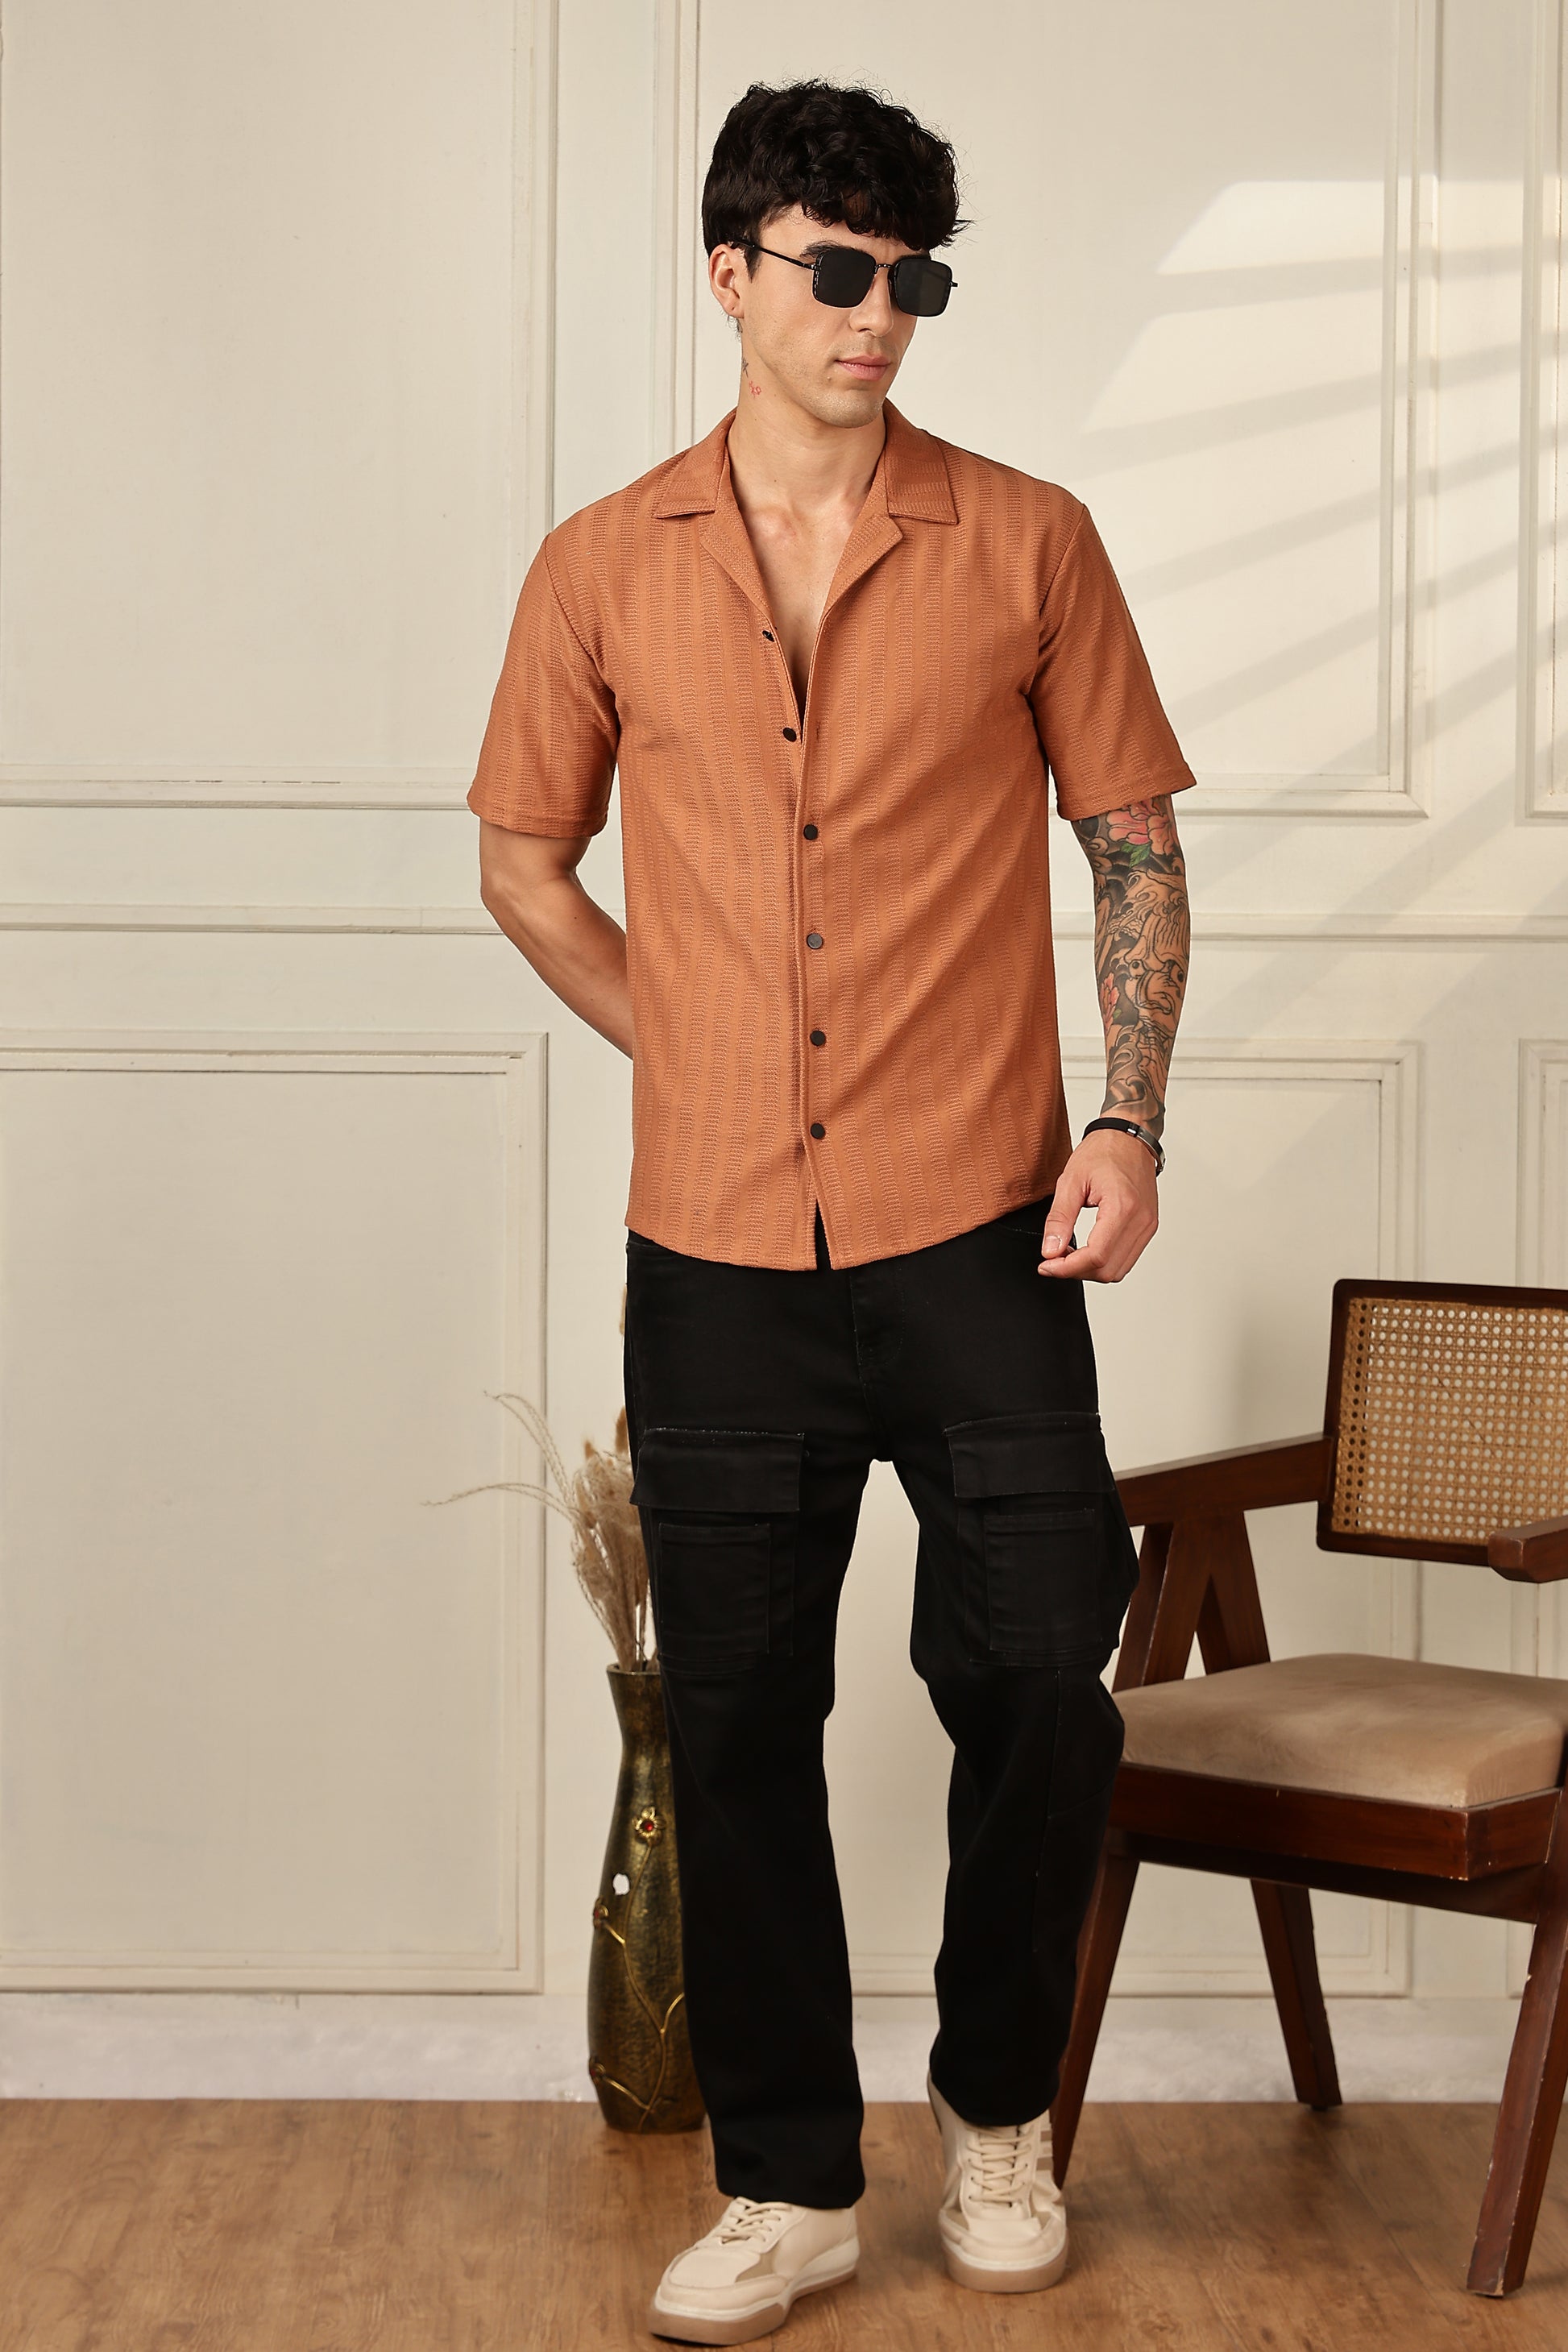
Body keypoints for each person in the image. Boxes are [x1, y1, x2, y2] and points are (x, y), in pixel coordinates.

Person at [468, 75, 1194, 2348]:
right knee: (739, 1716)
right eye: (839, 268)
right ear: (732, 273)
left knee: (1039, 1674)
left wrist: (1128, 1121)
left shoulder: (1029, 540)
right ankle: (784, 2183)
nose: (881, 313)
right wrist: (691, 1047)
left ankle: (999, 2112)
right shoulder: (601, 564)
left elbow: (1134, 844)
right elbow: (522, 861)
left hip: (981, 1224)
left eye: (915, 278)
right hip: (712, 1255)